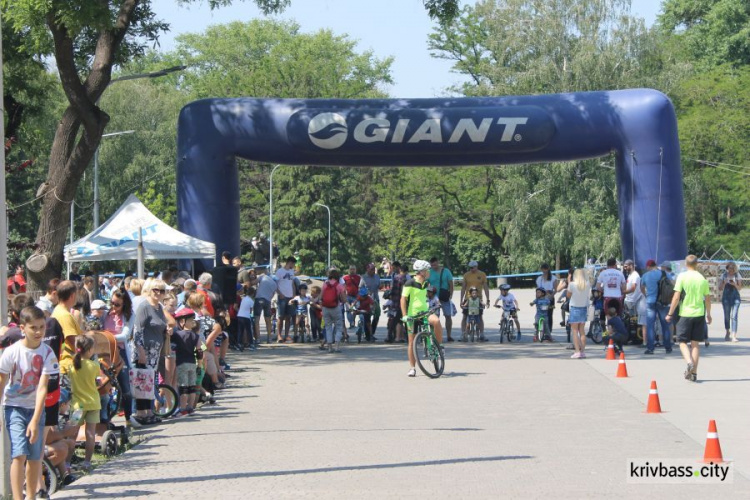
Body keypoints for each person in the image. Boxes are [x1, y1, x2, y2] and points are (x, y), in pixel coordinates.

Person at [0, 306, 58, 500]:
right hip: (14, 407)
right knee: (19, 454)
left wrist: (35, 419)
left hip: (36, 409)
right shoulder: (11, 352)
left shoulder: (47, 353)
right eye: (34, 327)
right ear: (22, 328)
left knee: (34, 458)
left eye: (42, 327)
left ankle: (31, 496)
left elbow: (42, 388)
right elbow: (2, 382)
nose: (39, 332)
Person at [666, 255, 711, 382]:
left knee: (682, 342)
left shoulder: (682, 277)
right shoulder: (702, 279)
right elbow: (707, 298)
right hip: (699, 314)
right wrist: (708, 314)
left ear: (686, 264)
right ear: (696, 264)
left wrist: (670, 313)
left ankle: (689, 361)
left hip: (685, 313)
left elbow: (676, 296)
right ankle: (694, 374)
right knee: (695, 344)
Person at [131, 279, 169, 424]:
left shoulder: (159, 307)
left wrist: (167, 330)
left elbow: (161, 324)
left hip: (155, 352)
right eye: (156, 290)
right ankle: (142, 413)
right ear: (149, 290)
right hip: (144, 351)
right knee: (142, 382)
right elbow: (137, 330)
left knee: (149, 382)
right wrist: (140, 351)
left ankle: (149, 411)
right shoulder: (144, 306)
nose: (159, 293)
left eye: (162, 290)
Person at [402, 260, 443, 377]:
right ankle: (412, 368)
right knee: (411, 341)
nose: (429, 272)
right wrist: (405, 315)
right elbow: (403, 299)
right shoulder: (409, 283)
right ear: (422, 272)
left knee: (436, 321)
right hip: (412, 315)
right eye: (427, 270)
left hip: (425, 312)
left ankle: (439, 347)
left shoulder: (426, 283)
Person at [102, 289, 135, 427]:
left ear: (124, 305)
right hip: (105, 353)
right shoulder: (106, 314)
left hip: (120, 352)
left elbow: (125, 335)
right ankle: (105, 419)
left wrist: (106, 338)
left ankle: (128, 417)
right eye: (112, 303)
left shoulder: (128, 315)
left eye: (117, 305)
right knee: (104, 385)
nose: (114, 307)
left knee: (125, 387)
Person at [69, 334, 100, 471]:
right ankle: (87, 462)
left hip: (77, 405)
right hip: (93, 403)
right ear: (89, 350)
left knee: (72, 434)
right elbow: (96, 379)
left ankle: (67, 462)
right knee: (90, 434)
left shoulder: (72, 365)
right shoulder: (94, 365)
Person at [172, 308, 203, 416]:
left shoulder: (177, 335)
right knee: (192, 387)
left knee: (183, 387)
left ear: (181, 322)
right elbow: (199, 351)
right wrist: (199, 365)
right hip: (192, 364)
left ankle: (183, 408)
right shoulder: (196, 336)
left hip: (181, 363)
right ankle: (190, 407)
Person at [640, 259, 673, 355]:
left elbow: (642, 288)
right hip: (662, 302)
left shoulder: (645, 275)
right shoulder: (663, 273)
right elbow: (671, 283)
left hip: (650, 301)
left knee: (650, 326)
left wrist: (647, 295)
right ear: (655, 265)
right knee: (665, 325)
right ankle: (668, 347)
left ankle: (650, 348)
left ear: (649, 266)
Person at [461, 261, 490, 343]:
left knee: (480, 317)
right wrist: (461, 300)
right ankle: (463, 334)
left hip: (478, 298)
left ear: (476, 266)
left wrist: (488, 299)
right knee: (465, 316)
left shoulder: (482, 274)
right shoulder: (466, 275)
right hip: (468, 298)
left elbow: (485, 287)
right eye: (470, 267)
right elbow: (463, 288)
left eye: (473, 267)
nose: (471, 269)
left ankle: (482, 334)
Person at [428, 257, 455, 341]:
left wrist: (451, 294)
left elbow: (451, 284)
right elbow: (426, 284)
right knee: (435, 317)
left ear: (438, 262)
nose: (433, 266)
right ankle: (434, 336)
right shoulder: (429, 272)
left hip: (444, 297)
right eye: (432, 265)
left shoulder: (446, 271)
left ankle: (449, 335)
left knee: (448, 316)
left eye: (435, 264)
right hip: (434, 298)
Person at [566, 269, 591, 358]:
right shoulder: (587, 284)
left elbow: (568, 295)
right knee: (582, 331)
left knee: (575, 331)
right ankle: (583, 351)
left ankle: (577, 351)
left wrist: (569, 281)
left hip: (574, 308)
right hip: (583, 308)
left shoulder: (572, 284)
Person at [321, 268, 347, 353]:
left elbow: (321, 297)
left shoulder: (325, 284)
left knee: (328, 327)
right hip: (336, 307)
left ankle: (329, 347)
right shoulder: (339, 285)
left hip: (325, 308)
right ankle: (337, 347)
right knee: (339, 327)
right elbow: (343, 299)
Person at [275, 256, 297, 343]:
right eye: (293, 264)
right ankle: (279, 335)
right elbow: (275, 284)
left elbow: (292, 284)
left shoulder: (291, 272)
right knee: (281, 317)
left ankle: (287, 335)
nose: (293, 266)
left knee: (288, 317)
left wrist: (294, 295)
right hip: (282, 297)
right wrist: (280, 294)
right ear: (289, 262)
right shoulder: (279, 271)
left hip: (290, 296)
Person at [718, 262, 742, 342]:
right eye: (729, 270)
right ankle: (727, 331)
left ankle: (734, 335)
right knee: (727, 316)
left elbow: (739, 288)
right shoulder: (723, 275)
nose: (731, 271)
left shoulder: (737, 275)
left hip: (736, 297)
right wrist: (724, 283)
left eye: (732, 270)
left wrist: (734, 284)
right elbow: (720, 288)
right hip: (726, 298)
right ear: (727, 269)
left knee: (734, 316)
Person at [253, 267, 277, 344]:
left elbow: (253, 282)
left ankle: (258, 339)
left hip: (259, 298)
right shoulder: (274, 284)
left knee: (257, 319)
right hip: (267, 301)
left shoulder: (262, 277)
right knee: (268, 320)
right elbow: (272, 295)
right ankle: (269, 338)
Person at [389, 262, 409, 343]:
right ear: (406, 271)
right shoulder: (404, 278)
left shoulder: (396, 277)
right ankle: (397, 337)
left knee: (397, 319)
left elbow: (392, 289)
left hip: (395, 301)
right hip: (401, 301)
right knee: (398, 320)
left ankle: (397, 336)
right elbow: (403, 291)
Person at [361, 263, 382, 339]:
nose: (373, 271)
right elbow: (360, 288)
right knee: (367, 317)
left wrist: (380, 286)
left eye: (374, 269)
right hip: (366, 300)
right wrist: (365, 292)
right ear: (367, 269)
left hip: (376, 299)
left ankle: (372, 332)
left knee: (377, 315)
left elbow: (379, 286)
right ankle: (368, 335)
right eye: (371, 269)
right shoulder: (363, 277)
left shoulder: (377, 277)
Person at [536, 263, 558, 332]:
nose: (544, 271)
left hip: (549, 299)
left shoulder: (553, 278)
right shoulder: (539, 279)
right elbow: (538, 290)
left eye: (545, 270)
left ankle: (549, 331)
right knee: (540, 314)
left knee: (549, 315)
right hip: (541, 299)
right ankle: (540, 330)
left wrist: (551, 295)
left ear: (548, 269)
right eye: (543, 270)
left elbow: (555, 289)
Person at [237, 285, 255, 350]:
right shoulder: (251, 301)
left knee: (240, 330)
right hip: (246, 316)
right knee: (249, 331)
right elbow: (250, 311)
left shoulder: (243, 298)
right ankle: (251, 344)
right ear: (253, 294)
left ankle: (239, 343)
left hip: (239, 315)